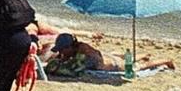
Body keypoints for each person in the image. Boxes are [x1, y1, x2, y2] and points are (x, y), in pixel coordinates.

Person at [45, 32, 174, 77]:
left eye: (62, 49)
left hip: (113, 65)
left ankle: (166, 60)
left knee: (137, 67)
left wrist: (57, 63)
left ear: (69, 47)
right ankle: (143, 54)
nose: (61, 52)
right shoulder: (79, 46)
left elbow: (72, 70)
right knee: (123, 56)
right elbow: (66, 57)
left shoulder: (83, 54)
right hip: (105, 56)